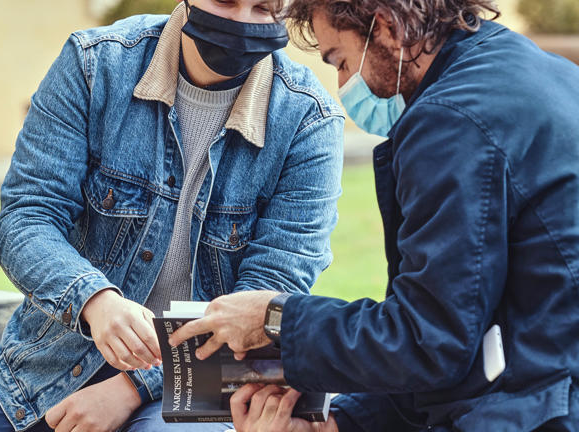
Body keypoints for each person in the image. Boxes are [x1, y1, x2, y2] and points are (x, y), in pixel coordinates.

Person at [169, 0, 579, 430]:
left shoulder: (450, 122)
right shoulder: (531, 71)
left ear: (384, 27)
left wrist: (275, 319)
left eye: (341, 61)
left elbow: (428, 340)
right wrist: (344, 422)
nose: (345, 84)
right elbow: (468, 328)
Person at [0, 0, 345, 430]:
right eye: (224, 1)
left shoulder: (310, 121)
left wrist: (135, 385)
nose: (240, 22)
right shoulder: (94, 64)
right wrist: (95, 300)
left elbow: (265, 299)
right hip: (61, 356)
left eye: (262, 8)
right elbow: (27, 216)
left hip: (208, 375)